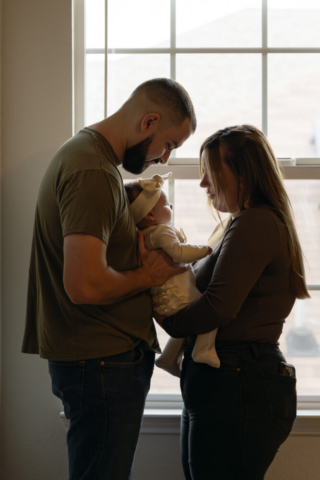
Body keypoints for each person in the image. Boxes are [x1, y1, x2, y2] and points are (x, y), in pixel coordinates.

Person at [21, 78, 196, 480]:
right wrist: (148, 274)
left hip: (98, 358)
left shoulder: (90, 161)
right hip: (101, 360)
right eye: (169, 144)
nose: (165, 158)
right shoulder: (92, 171)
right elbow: (84, 285)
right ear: (148, 121)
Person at [156, 124, 309, 480]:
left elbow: (218, 308)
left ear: (243, 172)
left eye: (211, 172)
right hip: (227, 382)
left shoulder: (254, 222)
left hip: (239, 383)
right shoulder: (240, 223)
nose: (203, 184)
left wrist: (164, 315)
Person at [125, 172, 219, 378]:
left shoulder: (143, 235)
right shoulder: (162, 232)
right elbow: (179, 252)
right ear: (150, 215)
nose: (172, 207)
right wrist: (205, 250)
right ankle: (203, 350)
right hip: (179, 294)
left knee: (185, 322)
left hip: (164, 299)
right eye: (167, 205)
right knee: (209, 315)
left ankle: (168, 357)